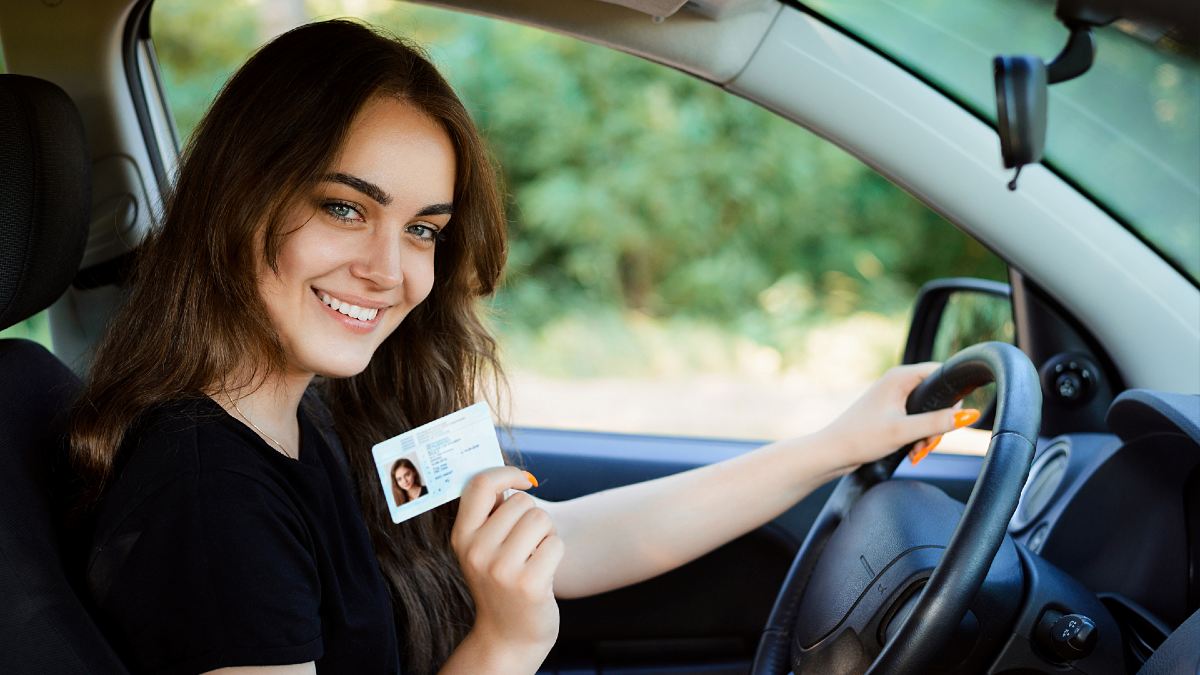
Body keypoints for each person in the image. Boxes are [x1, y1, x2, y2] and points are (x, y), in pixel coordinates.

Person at [67, 19, 974, 675]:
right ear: (239, 197)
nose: (390, 270)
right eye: (345, 207)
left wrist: (833, 446)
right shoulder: (207, 498)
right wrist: (505, 642)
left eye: (423, 229)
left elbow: (553, 542)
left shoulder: (315, 407)